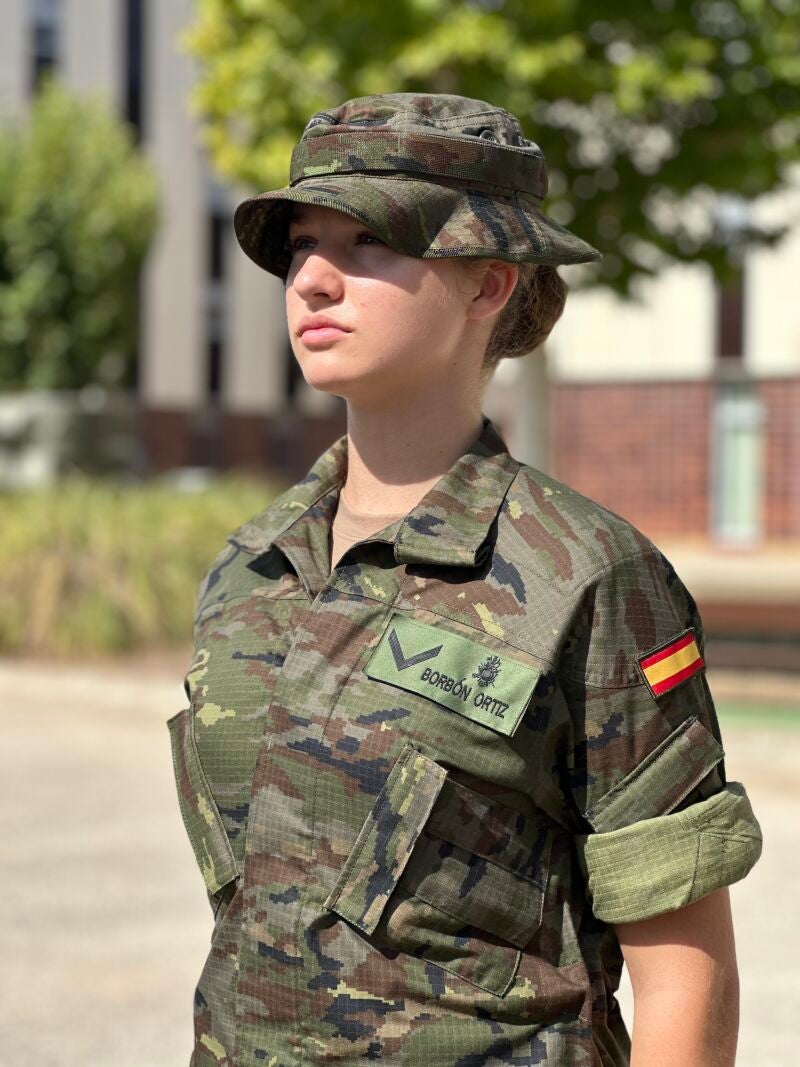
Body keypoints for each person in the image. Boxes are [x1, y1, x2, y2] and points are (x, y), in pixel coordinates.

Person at [167, 93, 763, 1067]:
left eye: (367, 242)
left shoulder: (585, 576)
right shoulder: (251, 566)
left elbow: (683, 972)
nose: (313, 279)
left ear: (488, 283)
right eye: (300, 244)